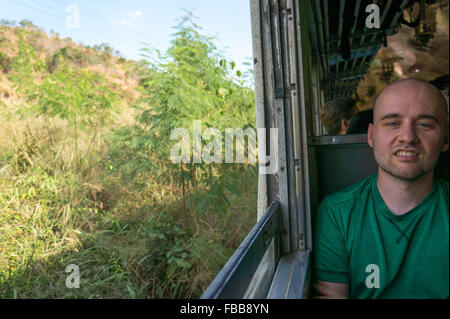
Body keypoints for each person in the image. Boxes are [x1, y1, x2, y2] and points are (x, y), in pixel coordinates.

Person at [312, 78, 449, 298]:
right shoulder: (337, 212)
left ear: (445, 138)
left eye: (425, 124)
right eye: (393, 123)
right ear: (371, 136)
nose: (408, 137)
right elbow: (331, 294)